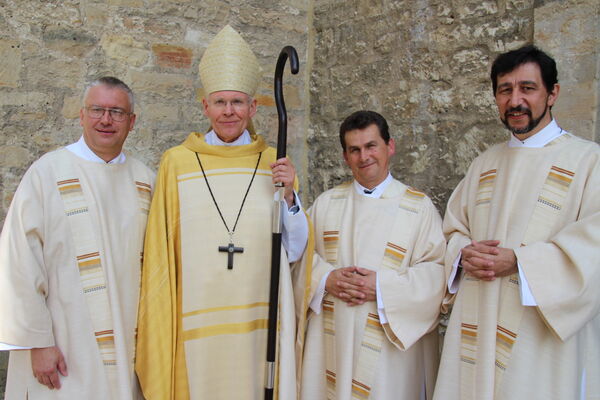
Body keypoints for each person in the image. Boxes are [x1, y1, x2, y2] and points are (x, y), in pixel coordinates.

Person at [135, 25, 309, 399]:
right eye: (219, 102)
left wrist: (291, 197)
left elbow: (293, 251)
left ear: (253, 107)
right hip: (193, 321)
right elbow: (161, 253)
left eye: (237, 102)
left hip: (258, 321)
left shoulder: (273, 163)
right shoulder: (177, 164)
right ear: (205, 107)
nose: (228, 112)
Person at [434, 45, 600, 400]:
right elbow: (452, 230)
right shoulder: (484, 163)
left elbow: (594, 247)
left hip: (540, 337)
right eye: (505, 90)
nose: (515, 100)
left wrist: (520, 261)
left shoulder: (588, 161)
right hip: (477, 322)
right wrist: (463, 253)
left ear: (552, 93)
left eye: (527, 88)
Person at [0, 76, 155, 399]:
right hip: (63, 345)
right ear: (82, 115)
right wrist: (38, 342)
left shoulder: (146, 181)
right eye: (97, 109)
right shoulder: (48, 173)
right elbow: (19, 262)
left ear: (132, 121)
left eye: (117, 112)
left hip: (129, 345)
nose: (106, 120)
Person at [297, 110, 446, 400]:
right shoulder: (326, 204)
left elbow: (436, 274)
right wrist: (326, 278)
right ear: (345, 156)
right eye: (354, 150)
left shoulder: (418, 208)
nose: (364, 156)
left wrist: (380, 286)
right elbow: (297, 260)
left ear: (389, 147)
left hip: (390, 356)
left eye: (371, 146)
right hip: (334, 344)